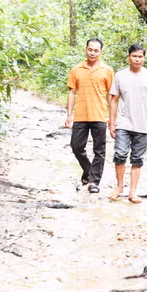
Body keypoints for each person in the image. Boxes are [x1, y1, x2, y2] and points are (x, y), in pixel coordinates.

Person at [108, 43, 147, 203]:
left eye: (140, 56)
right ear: (129, 57)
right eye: (134, 56)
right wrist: (112, 123)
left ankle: (132, 191)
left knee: (137, 159)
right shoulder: (120, 76)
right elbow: (113, 100)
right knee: (119, 154)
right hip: (124, 123)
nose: (137, 59)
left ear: (144, 58)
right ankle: (119, 186)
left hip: (143, 124)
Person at [65, 38, 115, 193]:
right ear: (86, 49)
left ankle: (94, 182)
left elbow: (112, 96)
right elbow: (72, 92)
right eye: (90, 50)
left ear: (100, 52)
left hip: (99, 116)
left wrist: (112, 119)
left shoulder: (107, 70)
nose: (93, 53)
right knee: (76, 147)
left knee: (99, 151)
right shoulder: (76, 69)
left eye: (96, 50)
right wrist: (69, 115)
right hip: (80, 115)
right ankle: (88, 171)